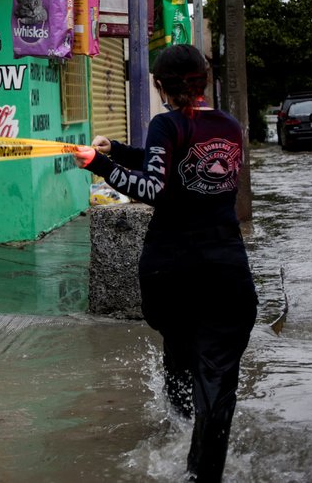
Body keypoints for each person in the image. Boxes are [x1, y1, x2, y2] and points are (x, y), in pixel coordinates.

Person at [74, 44, 258, 482]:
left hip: (172, 271)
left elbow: (154, 187)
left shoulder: (166, 124)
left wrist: (98, 163)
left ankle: (180, 434)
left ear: (159, 86)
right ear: (205, 80)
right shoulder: (228, 126)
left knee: (179, 346)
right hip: (226, 270)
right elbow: (174, 164)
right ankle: (204, 468)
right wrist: (118, 149)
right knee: (216, 375)